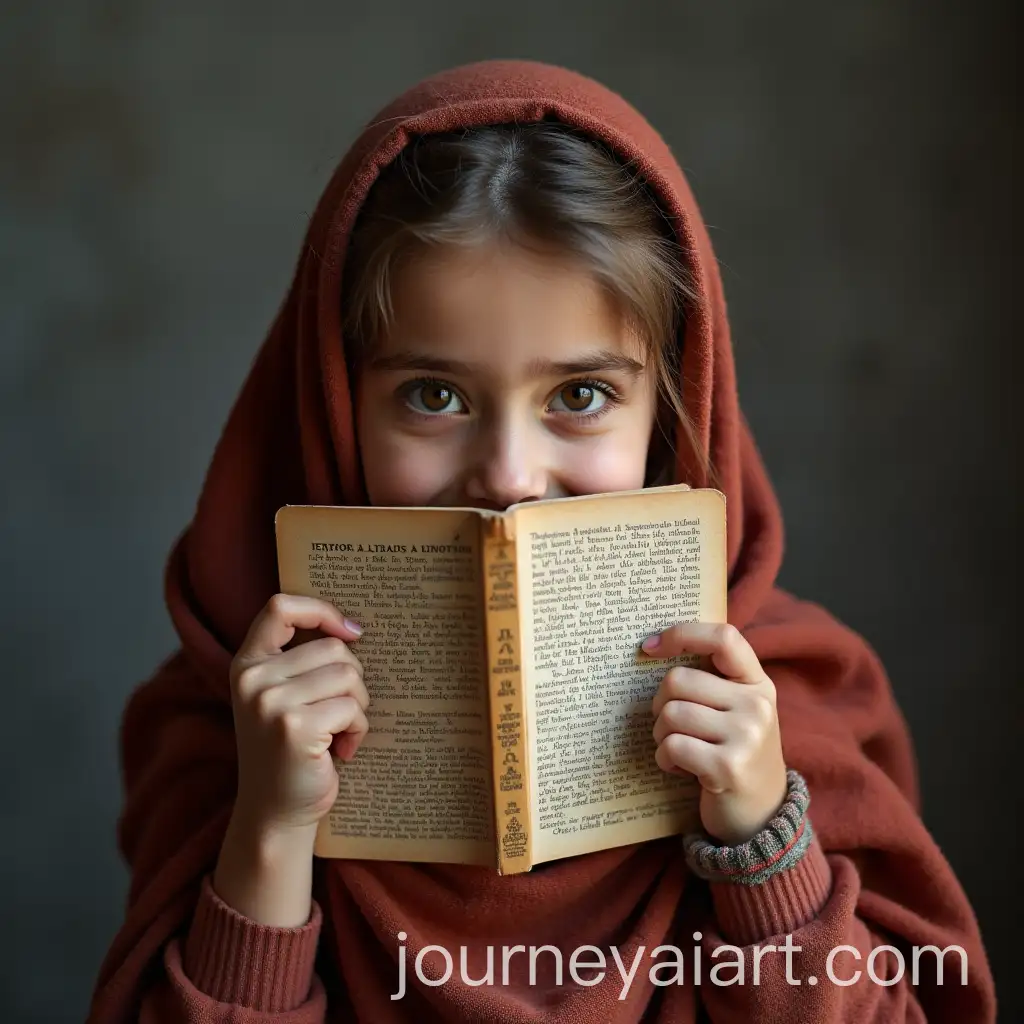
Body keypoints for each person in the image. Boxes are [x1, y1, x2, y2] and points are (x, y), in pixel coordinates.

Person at [87, 59, 995, 1022]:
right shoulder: (223, 721)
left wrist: (765, 842)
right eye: (432, 396)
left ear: (669, 419)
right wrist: (271, 835)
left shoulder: (803, 699)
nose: (511, 473)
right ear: (332, 405)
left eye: (581, 396)